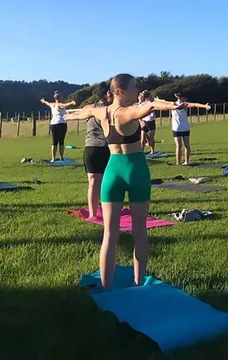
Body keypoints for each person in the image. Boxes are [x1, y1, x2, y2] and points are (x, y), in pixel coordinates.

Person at [64, 73, 184, 289]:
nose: (137, 89)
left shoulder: (103, 111)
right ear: (121, 91)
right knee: (140, 231)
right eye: (134, 86)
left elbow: (87, 110)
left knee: (109, 234)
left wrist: (72, 115)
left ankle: (105, 287)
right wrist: (172, 106)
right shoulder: (127, 112)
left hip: (112, 172)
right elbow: (148, 107)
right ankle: (139, 284)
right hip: (135, 170)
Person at [66, 82, 113, 218]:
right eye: (110, 94)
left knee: (106, 182)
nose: (113, 97)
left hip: (108, 148)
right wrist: (68, 116)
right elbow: (78, 113)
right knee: (93, 182)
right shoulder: (91, 108)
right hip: (93, 148)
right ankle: (93, 214)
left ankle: (107, 211)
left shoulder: (112, 109)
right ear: (104, 95)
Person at [171, 94, 211, 166]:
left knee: (178, 146)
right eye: (184, 98)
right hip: (185, 128)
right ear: (181, 98)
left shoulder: (173, 104)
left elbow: (163, 103)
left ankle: (178, 163)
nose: (186, 99)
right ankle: (186, 161)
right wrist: (204, 106)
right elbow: (195, 105)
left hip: (177, 128)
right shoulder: (184, 104)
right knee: (187, 145)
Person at [40, 91, 76, 162]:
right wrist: (71, 103)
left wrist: (43, 101)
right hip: (61, 124)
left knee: (54, 142)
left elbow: (47, 103)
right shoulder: (59, 104)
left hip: (53, 124)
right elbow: (64, 105)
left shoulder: (52, 104)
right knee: (61, 142)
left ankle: (53, 159)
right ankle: (61, 158)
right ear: (60, 97)